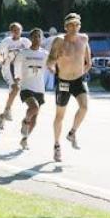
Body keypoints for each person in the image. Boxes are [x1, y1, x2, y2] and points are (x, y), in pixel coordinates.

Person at [47, 13, 91, 162]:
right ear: (66, 27)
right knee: (60, 115)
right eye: (71, 25)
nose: (74, 28)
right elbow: (50, 60)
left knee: (84, 107)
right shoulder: (59, 40)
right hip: (63, 82)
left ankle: (72, 132)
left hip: (78, 80)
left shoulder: (84, 39)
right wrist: (53, 67)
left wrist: (81, 73)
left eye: (77, 25)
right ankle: (57, 145)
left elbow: (88, 62)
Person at [13, 28, 48, 149]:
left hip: (39, 88)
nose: (36, 39)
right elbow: (16, 65)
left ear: (42, 39)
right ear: (30, 39)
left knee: (35, 116)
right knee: (34, 107)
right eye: (34, 36)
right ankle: (25, 121)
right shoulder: (24, 53)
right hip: (26, 86)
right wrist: (17, 77)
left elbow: (52, 65)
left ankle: (25, 138)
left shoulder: (45, 54)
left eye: (39, 36)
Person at [0, 22, 31, 130]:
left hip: (21, 69)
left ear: (21, 31)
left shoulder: (25, 42)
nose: (16, 32)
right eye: (14, 30)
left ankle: (3, 115)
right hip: (8, 68)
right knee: (16, 88)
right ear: (11, 32)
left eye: (18, 30)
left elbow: (32, 52)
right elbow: (0, 56)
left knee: (15, 91)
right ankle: (7, 110)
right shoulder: (6, 42)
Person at [43, 27, 58, 91]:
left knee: (45, 72)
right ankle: (50, 86)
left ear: (50, 33)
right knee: (52, 72)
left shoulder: (48, 39)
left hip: (47, 56)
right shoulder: (58, 39)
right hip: (55, 57)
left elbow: (41, 44)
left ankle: (43, 85)